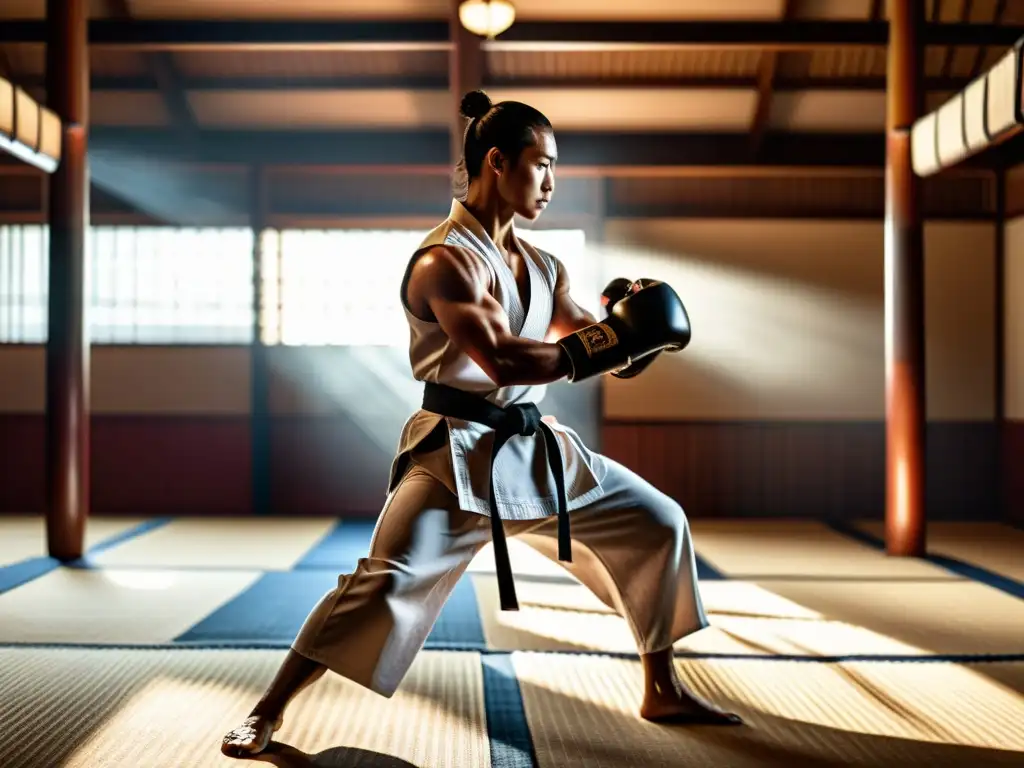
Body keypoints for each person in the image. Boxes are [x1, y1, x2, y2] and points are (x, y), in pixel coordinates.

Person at [221, 90, 740, 759]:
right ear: (497, 161)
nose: (552, 182)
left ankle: (661, 686)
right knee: (382, 585)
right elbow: (498, 355)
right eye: (540, 165)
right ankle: (267, 710)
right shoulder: (444, 260)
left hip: (532, 447)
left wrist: (638, 333)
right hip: (454, 452)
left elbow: (593, 349)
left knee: (658, 521)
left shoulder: (545, 265)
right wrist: (610, 343)